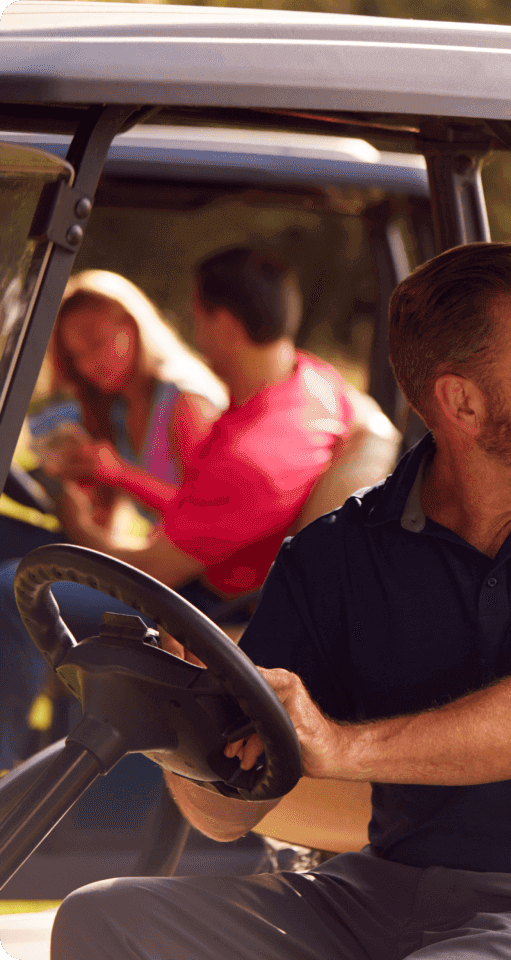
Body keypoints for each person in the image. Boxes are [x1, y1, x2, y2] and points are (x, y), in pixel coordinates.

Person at [51, 241, 511, 960]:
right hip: (381, 897)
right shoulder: (338, 553)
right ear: (462, 401)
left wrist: (340, 746)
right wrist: (176, 725)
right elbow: (226, 817)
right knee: (105, 920)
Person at [0, 248, 353, 771]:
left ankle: (8, 766)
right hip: (197, 576)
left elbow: (153, 568)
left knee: (12, 587)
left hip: (202, 608)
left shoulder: (245, 455)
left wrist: (81, 515)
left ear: (222, 324)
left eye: (197, 315)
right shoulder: (309, 382)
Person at [1, 269, 226, 554]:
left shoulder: (186, 401)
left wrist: (120, 474)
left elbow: (210, 519)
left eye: (97, 344)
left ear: (133, 326)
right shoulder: (118, 405)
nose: (89, 364)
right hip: (162, 560)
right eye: (77, 355)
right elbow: (110, 528)